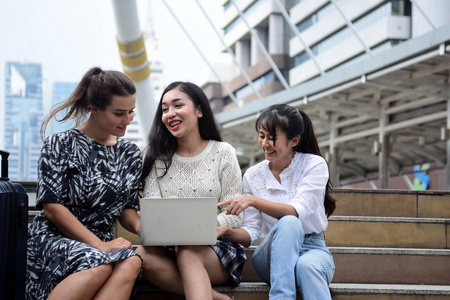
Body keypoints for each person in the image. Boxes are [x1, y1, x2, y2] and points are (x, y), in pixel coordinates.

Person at [26, 67, 143, 300]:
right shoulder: (60, 144)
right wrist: (99, 245)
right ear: (95, 110)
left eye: (131, 112)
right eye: (119, 113)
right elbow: (52, 207)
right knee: (98, 264)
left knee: (132, 262)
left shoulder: (131, 153)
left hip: (103, 242)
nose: (127, 120)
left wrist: (144, 229)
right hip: (54, 238)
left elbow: (128, 208)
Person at [136, 81, 245, 300]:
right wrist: (172, 214)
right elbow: (154, 214)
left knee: (188, 249)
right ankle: (217, 298)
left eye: (178, 105)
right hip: (169, 248)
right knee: (139, 256)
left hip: (216, 249)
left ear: (199, 110)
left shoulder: (223, 152)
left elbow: (236, 213)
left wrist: (203, 226)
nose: (170, 114)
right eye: (165, 109)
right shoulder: (154, 156)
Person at [218, 104, 337, 300]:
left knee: (306, 265)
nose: (265, 143)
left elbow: (295, 212)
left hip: (313, 248)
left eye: (272, 137)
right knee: (289, 223)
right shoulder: (253, 175)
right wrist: (226, 231)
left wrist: (253, 200)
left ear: (294, 140)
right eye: (262, 135)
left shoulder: (314, 165)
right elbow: (252, 232)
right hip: (271, 255)